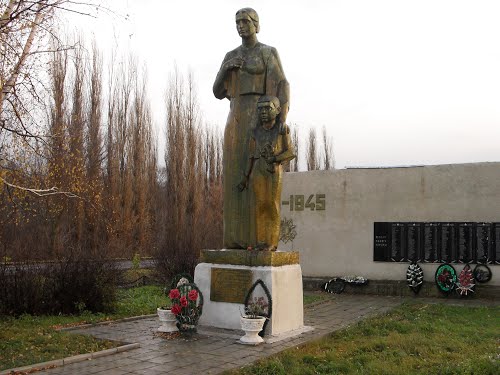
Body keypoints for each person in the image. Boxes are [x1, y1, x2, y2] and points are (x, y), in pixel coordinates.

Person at [213, 8, 289, 249]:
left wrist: (280, 120)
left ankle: (262, 240)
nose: (241, 26)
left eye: (245, 21)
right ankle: (234, 240)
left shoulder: (267, 52)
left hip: (261, 116)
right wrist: (226, 69)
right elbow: (217, 92)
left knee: (260, 178)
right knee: (235, 175)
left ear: (256, 24)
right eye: (237, 22)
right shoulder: (230, 55)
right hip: (235, 116)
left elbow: (282, 86)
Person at [238, 96, 295, 251]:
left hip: (274, 170)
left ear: (277, 111)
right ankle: (261, 242)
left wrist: (275, 158)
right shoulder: (255, 132)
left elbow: (290, 152)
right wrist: (245, 177)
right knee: (260, 205)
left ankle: (272, 243)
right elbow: (251, 155)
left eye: (267, 108)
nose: (263, 112)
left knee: (272, 206)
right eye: (260, 109)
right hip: (258, 169)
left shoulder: (282, 129)